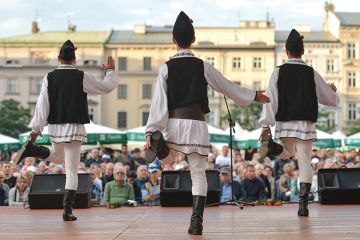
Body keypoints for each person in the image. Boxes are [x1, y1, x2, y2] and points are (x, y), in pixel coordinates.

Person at [144, 11, 270, 235]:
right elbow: (226, 86)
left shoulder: (165, 68)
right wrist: (252, 95)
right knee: (198, 174)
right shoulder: (203, 66)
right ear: (193, 40)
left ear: (173, 40)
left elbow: (158, 103)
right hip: (197, 123)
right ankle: (196, 221)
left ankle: (160, 148)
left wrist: (152, 130)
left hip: (173, 122)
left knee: (167, 160)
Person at [14, 39, 119, 221]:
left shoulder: (49, 77)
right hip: (74, 126)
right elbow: (105, 87)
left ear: (58, 58)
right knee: (71, 169)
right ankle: (67, 210)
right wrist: (110, 71)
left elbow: (42, 106)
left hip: (55, 126)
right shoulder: (81, 76)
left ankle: (35, 150)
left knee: (59, 156)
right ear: (74, 59)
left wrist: (35, 131)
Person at [258, 29, 340, 216]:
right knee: (304, 162)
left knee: (287, 154)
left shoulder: (278, 72)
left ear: (286, 51)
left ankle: (274, 148)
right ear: (302, 51)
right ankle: (303, 205)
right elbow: (329, 99)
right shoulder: (311, 72)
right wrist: (332, 91)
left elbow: (270, 99)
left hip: (285, 121)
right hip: (305, 123)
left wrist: (265, 125)